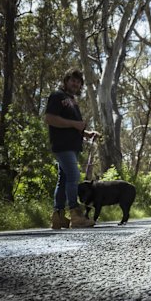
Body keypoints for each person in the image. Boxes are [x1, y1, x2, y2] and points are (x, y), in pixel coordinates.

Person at [45, 68, 100, 229]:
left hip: (73, 145)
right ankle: (76, 214)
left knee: (63, 179)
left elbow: (72, 126)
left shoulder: (72, 100)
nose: (75, 84)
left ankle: (59, 216)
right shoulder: (57, 96)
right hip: (62, 145)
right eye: (73, 80)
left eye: (78, 82)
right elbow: (50, 118)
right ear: (66, 80)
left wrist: (87, 133)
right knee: (74, 175)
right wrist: (75, 124)